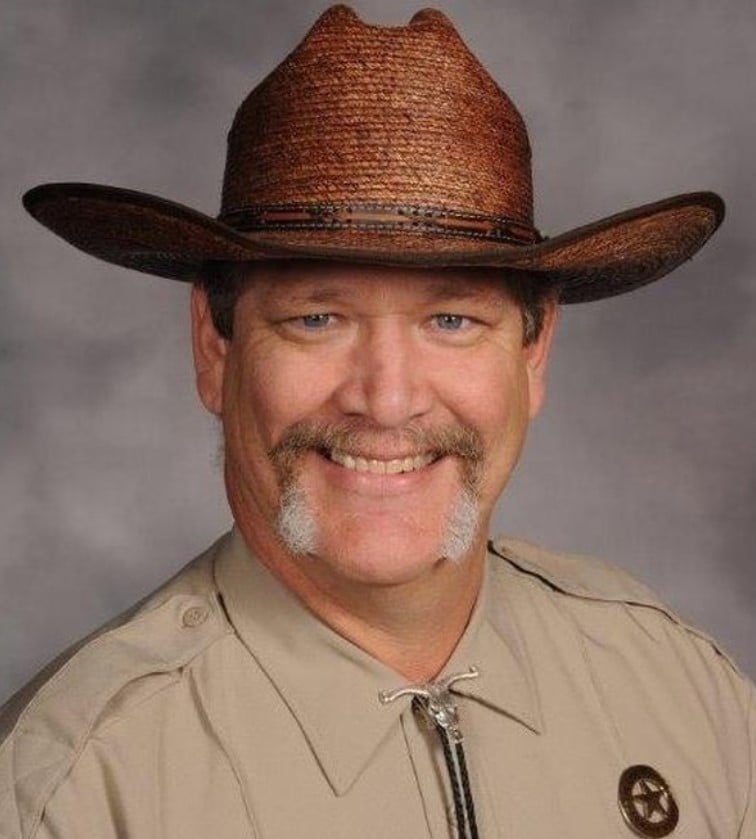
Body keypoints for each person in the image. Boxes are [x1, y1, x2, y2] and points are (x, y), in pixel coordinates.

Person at [2, 6, 753, 838]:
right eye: (317, 318)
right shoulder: (71, 789)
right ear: (213, 349)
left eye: (452, 321)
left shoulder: (685, 691)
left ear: (534, 355)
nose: (387, 400)